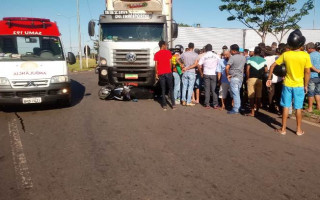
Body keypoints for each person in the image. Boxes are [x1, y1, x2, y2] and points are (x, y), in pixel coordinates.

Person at [267, 29, 311, 136]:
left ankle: (283, 129)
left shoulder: (286, 55)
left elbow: (272, 66)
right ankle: (299, 130)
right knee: (298, 108)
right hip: (299, 85)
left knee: (286, 106)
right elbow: (307, 71)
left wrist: (269, 78)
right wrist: (305, 85)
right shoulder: (305, 55)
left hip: (287, 84)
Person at [154, 40, 176, 111]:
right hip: (168, 72)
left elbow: (156, 65)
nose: (166, 46)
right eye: (166, 45)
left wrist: (156, 73)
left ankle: (164, 105)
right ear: (163, 45)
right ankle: (173, 104)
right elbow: (170, 63)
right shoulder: (168, 52)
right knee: (171, 88)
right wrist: (170, 70)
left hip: (161, 73)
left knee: (163, 89)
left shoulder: (156, 54)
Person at [246, 46, 267, 117]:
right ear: (260, 52)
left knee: (251, 96)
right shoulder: (263, 60)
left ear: (254, 52)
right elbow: (266, 70)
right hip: (260, 79)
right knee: (258, 96)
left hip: (252, 79)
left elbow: (247, 70)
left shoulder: (250, 59)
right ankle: (257, 110)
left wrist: (248, 78)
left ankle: (252, 112)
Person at [226, 44, 247, 114]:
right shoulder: (243, 58)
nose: (230, 51)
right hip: (240, 77)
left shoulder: (232, 58)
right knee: (237, 92)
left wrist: (227, 75)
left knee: (235, 93)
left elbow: (227, 67)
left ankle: (236, 108)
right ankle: (238, 107)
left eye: (231, 50)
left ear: (234, 51)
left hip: (234, 77)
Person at [199, 44, 220, 109]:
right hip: (214, 74)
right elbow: (220, 64)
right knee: (214, 90)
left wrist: (201, 73)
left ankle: (207, 104)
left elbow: (199, 65)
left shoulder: (204, 56)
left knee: (207, 89)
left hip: (206, 73)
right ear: (211, 49)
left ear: (205, 49)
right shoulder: (216, 56)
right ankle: (215, 104)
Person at [265, 46, 283, 114]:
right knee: (278, 94)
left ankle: (271, 107)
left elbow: (266, 68)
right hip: (279, 78)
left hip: (270, 78)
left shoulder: (266, 58)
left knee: (270, 93)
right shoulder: (280, 58)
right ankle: (280, 108)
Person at [305, 42, 320, 112]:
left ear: (309, 48)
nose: (306, 50)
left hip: (312, 76)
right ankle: (318, 106)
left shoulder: (309, 56)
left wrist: (317, 70)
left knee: (311, 92)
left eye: (307, 49)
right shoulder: (319, 54)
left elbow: (310, 65)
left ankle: (310, 108)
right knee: (317, 92)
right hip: (319, 77)